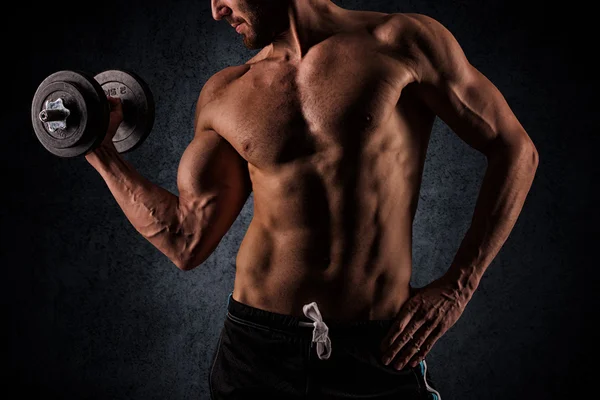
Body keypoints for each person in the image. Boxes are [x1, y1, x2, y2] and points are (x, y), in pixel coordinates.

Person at [85, 0, 539, 398]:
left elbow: (515, 149)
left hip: (379, 347)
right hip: (256, 349)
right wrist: (98, 150)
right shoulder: (224, 93)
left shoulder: (401, 41)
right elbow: (186, 240)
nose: (216, 10)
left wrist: (460, 284)